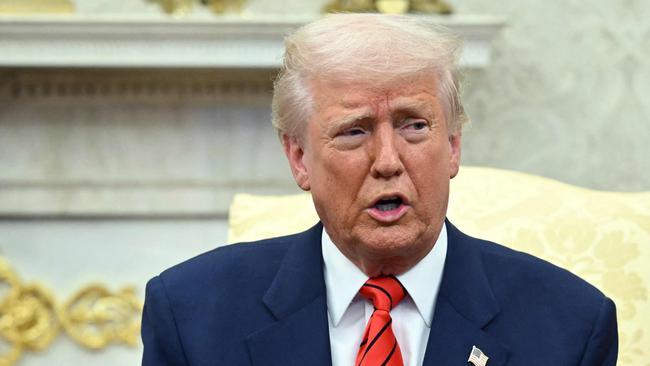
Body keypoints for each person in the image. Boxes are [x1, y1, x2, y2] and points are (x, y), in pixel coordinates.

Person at [141, 14, 617, 366]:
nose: (388, 161)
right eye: (354, 131)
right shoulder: (191, 315)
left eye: (414, 126)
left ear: (452, 147)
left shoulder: (570, 326)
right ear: (299, 158)